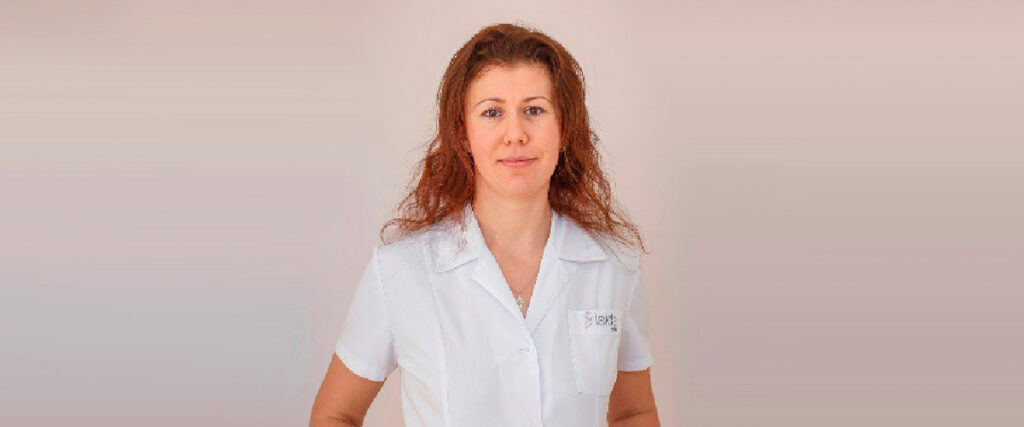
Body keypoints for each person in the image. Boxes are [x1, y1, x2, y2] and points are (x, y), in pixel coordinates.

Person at [311, 22, 659, 427]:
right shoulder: (400, 271)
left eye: (534, 110)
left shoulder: (615, 266)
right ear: (463, 134)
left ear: (564, 129)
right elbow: (335, 414)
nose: (515, 134)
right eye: (492, 112)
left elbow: (634, 411)